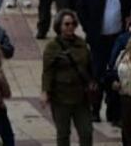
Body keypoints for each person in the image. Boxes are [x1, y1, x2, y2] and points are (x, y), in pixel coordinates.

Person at [77, 0, 131, 123]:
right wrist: (89, 28)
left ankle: (113, 111)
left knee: (115, 74)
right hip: (98, 40)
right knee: (97, 74)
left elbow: (130, 10)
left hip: (117, 40)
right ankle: (95, 109)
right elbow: (81, 9)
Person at [41, 11, 97, 146]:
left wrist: (93, 82)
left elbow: (90, 66)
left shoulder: (82, 44)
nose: (70, 27)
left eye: (73, 24)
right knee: (63, 134)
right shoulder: (52, 46)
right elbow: (48, 71)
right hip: (61, 97)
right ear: (59, 26)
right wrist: (45, 91)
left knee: (86, 132)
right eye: (66, 24)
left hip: (81, 97)